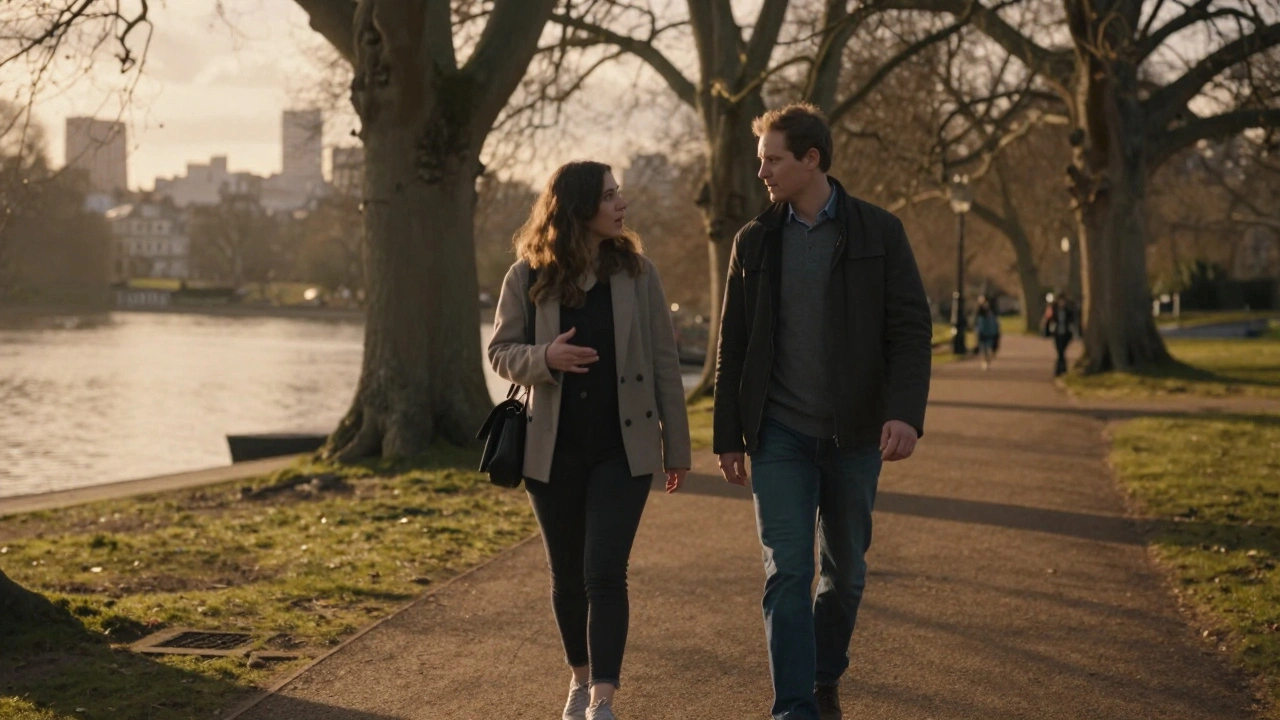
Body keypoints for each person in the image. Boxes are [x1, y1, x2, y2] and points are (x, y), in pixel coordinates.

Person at [712, 103, 933, 720]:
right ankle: (795, 708)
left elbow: (911, 331)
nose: (763, 172)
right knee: (787, 572)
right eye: (760, 161)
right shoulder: (753, 242)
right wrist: (728, 434)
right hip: (778, 434)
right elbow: (733, 345)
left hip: (856, 433)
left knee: (846, 577)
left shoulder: (878, 233)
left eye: (774, 160)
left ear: (811, 159)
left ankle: (823, 673)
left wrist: (905, 414)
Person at [488, 161, 691, 720]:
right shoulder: (527, 275)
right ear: (580, 207)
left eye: (618, 192)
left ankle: (603, 698)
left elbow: (665, 364)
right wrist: (544, 358)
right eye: (609, 195)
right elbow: (501, 351)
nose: (621, 202)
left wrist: (676, 448)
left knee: (605, 571)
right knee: (568, 575)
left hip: (622, 450)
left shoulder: (638, 272)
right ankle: (578, 681)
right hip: (550, 450)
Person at [1041, 293, 1078, 377]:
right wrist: (1046, 332)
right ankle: (1062, 369)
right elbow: (1048, 320)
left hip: (1066, 333)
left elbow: (1073, 320)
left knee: (1061, 352)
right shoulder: (1054, 309)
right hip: (1057, 333)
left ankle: (1060, 370)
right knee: (1060, 352)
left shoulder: (1068, 310)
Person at [973, 297, 1001, 370]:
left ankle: (987, 361)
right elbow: (976, 324)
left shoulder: (992, 313)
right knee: (984, 349)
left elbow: (996, 323)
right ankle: (985, 363)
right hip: (982, 333)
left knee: (991, 350)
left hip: (991, 333)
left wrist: (997, 332)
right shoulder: (979, 313)